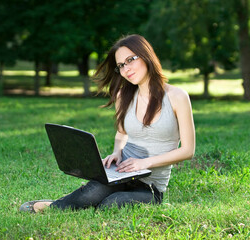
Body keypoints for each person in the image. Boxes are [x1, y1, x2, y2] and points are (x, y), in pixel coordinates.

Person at [19, 34, 195, 213]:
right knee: (91, 193)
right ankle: (54, 206)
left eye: (130, 60)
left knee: (110, 205)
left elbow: (187, 151)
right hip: (121, 174)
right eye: (121, 66)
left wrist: (145, 163)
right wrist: (117, 152)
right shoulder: (123, 96)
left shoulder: (177, 97)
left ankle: (79, 201)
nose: (126, 69)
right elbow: (121, 133)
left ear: (146, 55)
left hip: (151, 187)